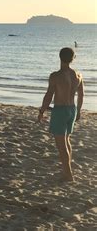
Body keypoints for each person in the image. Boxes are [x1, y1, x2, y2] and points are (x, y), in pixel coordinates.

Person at [38, 47, 84, 182]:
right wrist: (79, 110)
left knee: (61, 145)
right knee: (67, 140)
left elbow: (48, 96)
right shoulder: (78, 75)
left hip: (60, 111)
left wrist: (41, 111)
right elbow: (81, 95)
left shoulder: (55, 76)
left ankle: (68, 174)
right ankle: (66, 170)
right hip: (72, 109)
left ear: (59, 57)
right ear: (73, 59)